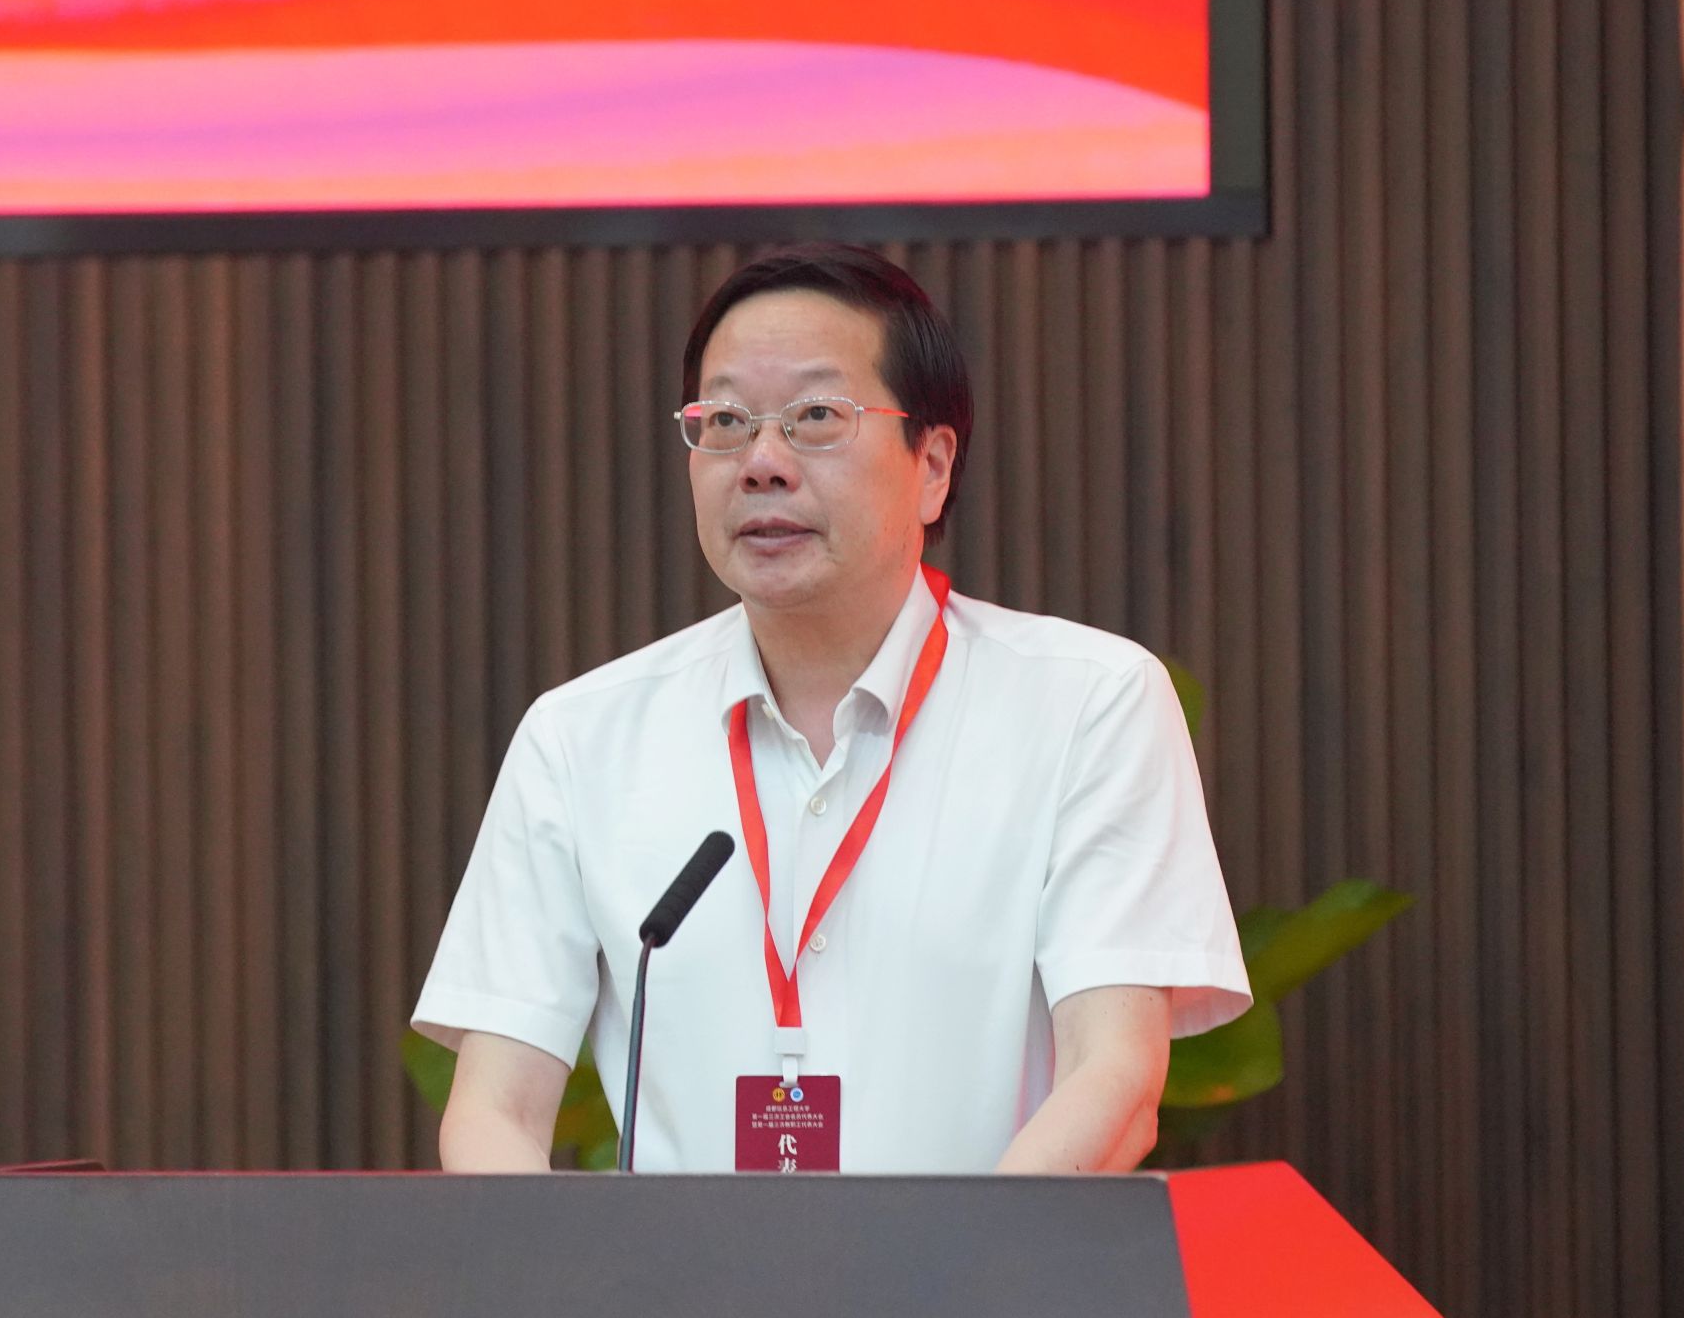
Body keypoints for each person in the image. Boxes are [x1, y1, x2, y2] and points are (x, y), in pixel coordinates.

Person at [413, 243, 1250, 1174]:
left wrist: (956, 1265)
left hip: (982, 1267)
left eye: (816, 416)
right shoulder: (580, 739)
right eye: (725, 421)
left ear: (933, 466)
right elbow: (493, 1110)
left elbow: (1115, 1078)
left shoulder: (1087, 703)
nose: (761, 462)